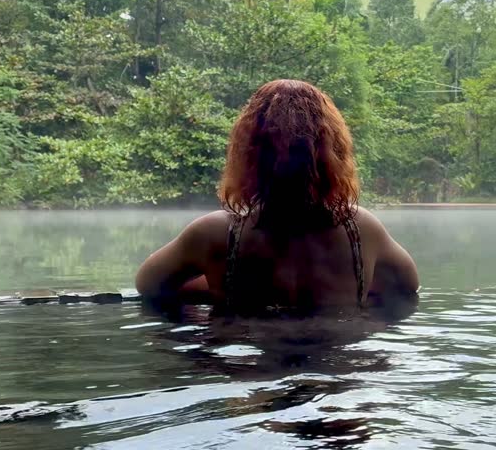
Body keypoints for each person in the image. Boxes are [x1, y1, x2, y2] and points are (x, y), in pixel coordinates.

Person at [136, 79, 419, 315]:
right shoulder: (362, 230)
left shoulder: (213, 234)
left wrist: (215, 283)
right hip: (335, 371)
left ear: (247, 153)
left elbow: (149, 285)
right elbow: (407, 286)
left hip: (246, 370)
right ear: (333, 152)